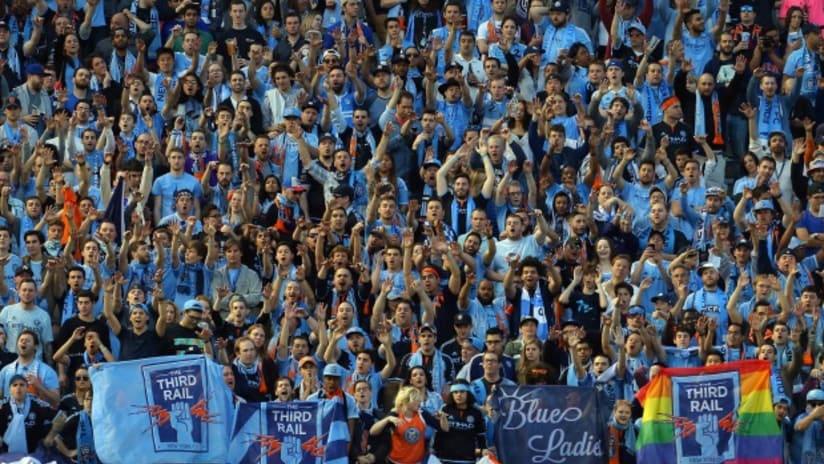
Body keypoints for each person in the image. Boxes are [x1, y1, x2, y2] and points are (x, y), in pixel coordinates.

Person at [434, 379, 487, 463]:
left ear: (468, 393)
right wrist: (434, 451)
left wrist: (483, 450)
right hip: (445, 458)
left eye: (462, 392)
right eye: (455, 392)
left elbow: (481, 436)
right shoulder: (445, 409)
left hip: (467, 459)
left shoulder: (476, 412)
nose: (459, 395)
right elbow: (437, 433)